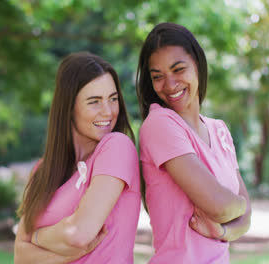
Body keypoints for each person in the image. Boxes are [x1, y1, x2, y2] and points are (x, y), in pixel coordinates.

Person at [136, 22, 252, 263]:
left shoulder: (220, 130)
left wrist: (222, 231)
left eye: (178, 69)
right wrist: (239, 204)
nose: (169, 85)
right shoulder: (160, 125)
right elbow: (221, 207)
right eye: (157, 77)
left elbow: (245, 221)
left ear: (197, 64)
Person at [14, 51, 141, 264]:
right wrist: (64, 250)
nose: (108, 111)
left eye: (113, 99)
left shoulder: (117, 147)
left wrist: (36, 238)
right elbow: (20, 257)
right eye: (94, 101)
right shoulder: (42, 172)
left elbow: (79, 234)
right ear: (69, 107)